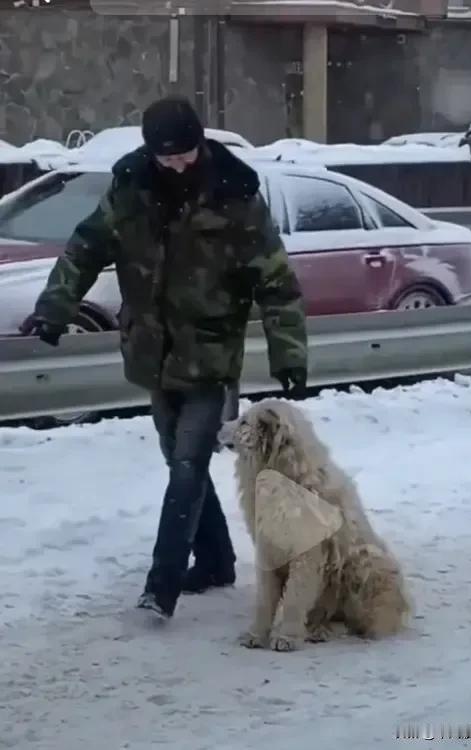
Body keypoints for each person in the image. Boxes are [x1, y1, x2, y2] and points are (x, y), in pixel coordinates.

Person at [20, 96, 308, 618]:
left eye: (185, 153)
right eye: (165, 156)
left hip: (212, 354)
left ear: (200, 143)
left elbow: (276, 282)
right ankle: (217, 561)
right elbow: (85, 247)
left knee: (188, 463)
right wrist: (53, 309)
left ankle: (163, 583)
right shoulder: (131, 188)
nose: (177, 163)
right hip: (152, 351)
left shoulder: (234, 196)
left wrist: (289, 353)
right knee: (178, 457)